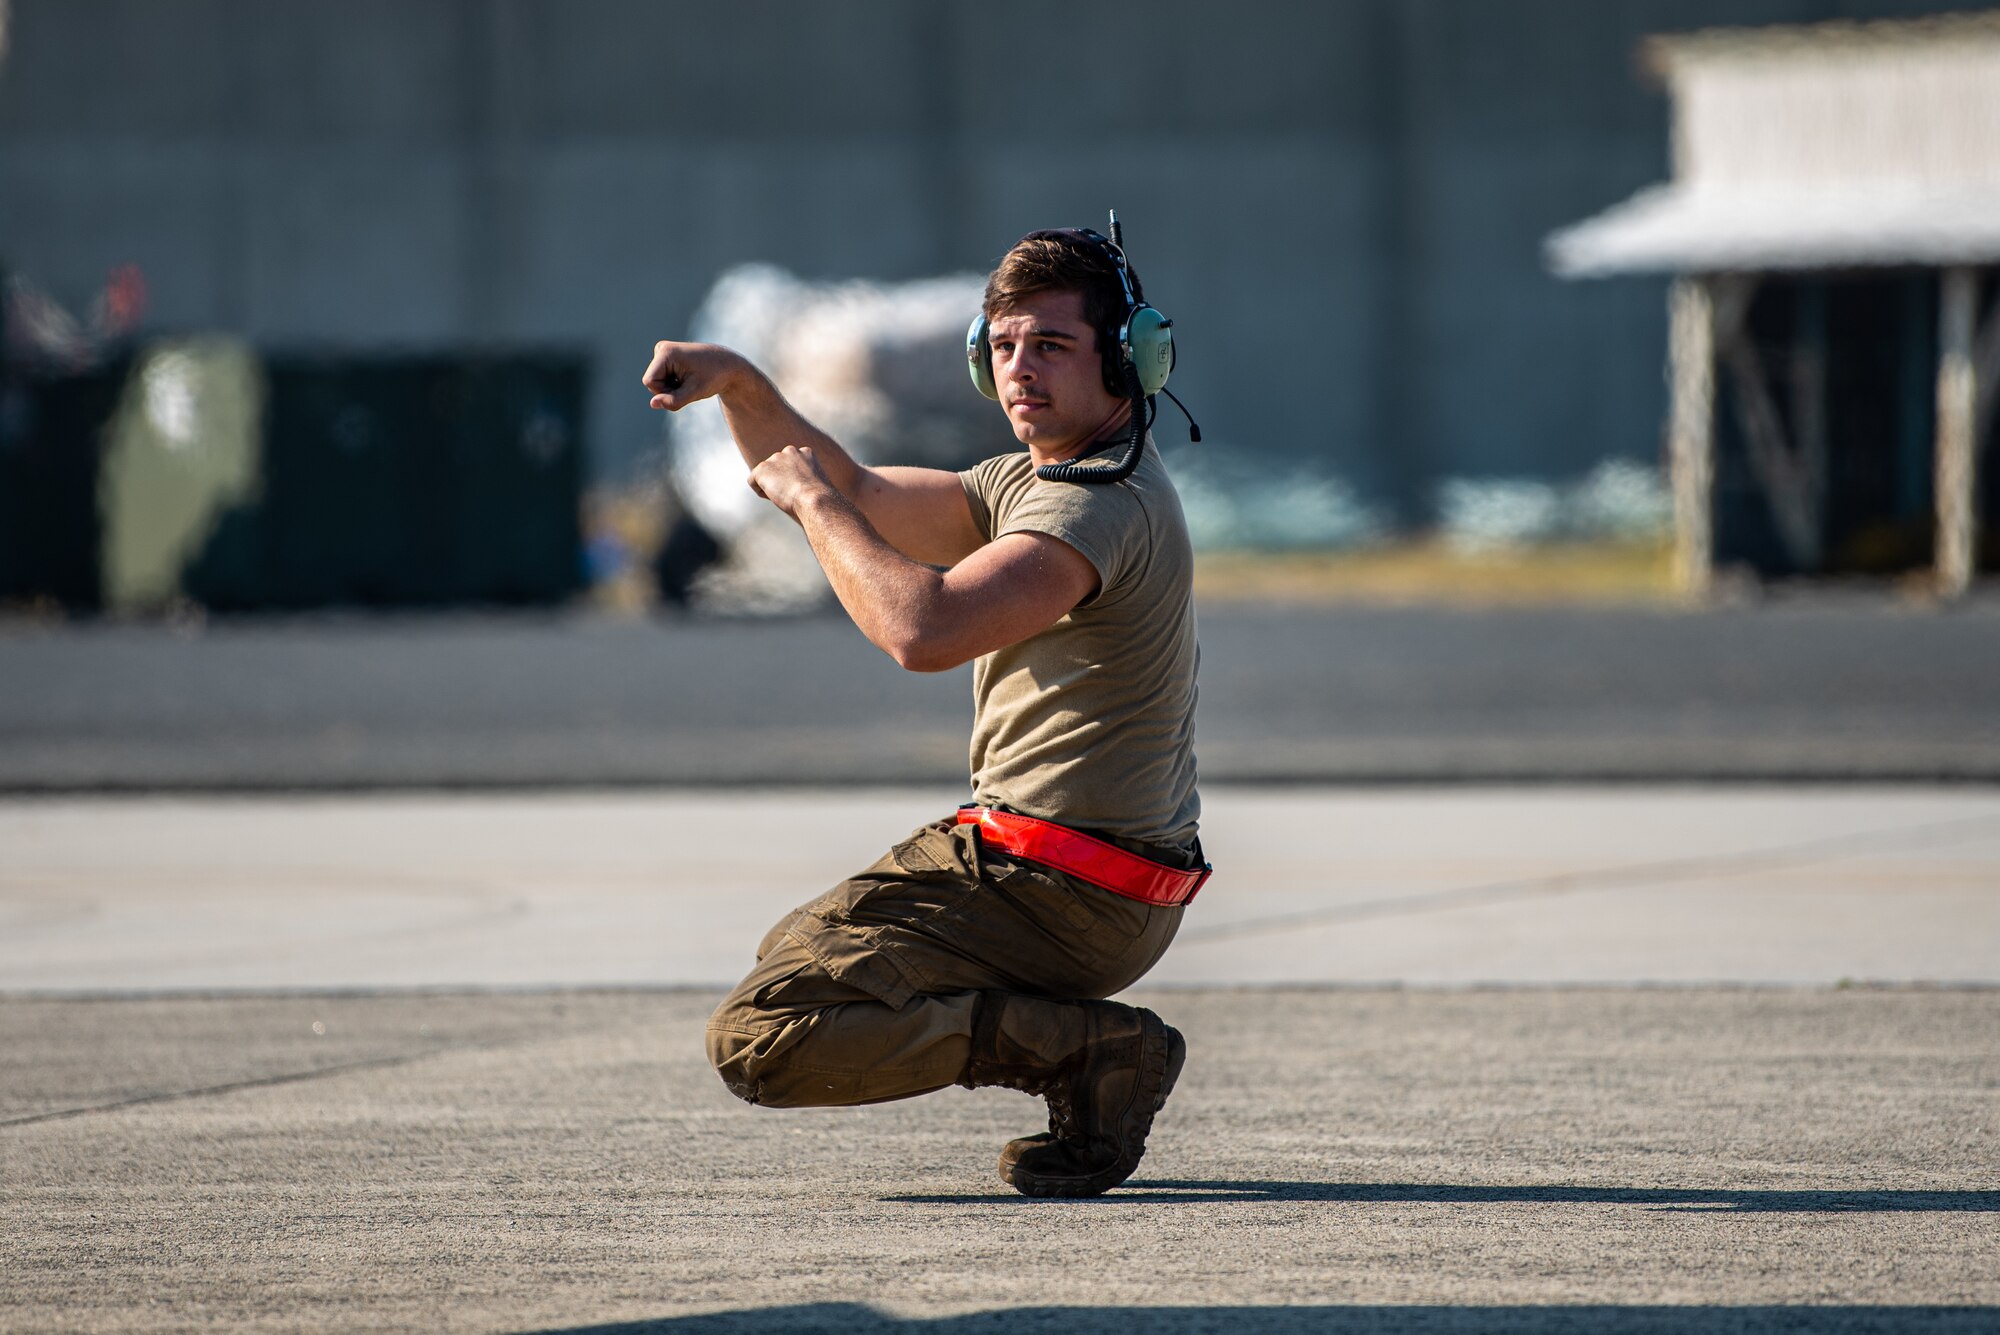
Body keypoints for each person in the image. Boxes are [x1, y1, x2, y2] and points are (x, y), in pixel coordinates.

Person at [641, 226, 1208, 1198]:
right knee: (796, 959)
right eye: (1002, 347)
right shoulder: (1038, 479)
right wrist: (738, 384)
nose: (1019, 369)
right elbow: (861, 489)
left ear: (1129, 359)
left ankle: (1088, 1050)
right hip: (1072, 875)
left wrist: (814, 507)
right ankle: (1084, 1059)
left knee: (764, 1033)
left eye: (1051, 345)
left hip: (1057, 885)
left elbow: (922, 629)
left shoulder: (1092, 507)